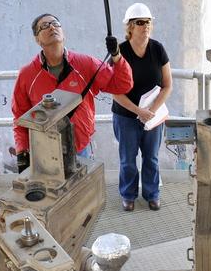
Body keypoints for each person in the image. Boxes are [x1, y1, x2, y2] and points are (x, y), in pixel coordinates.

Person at [11, 13, 133, 173]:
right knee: (54, 195)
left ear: (64, 33)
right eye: (44, 26)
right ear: (38, 39)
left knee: (82, 193)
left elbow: (122, 85)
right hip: (45, 152)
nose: (52, 27)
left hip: (81, 148)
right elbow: (20, 118)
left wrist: (117, 56)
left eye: (55, 23)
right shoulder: (27, 75)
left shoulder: (85, 64)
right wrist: (22, 153)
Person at [110, 3, 171, 212]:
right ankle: (128, 195)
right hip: (126, 116)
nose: (145, 26)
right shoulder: (120, 52)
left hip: (152, 116)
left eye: (148, 22)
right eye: (140, 22)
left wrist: (151, 111)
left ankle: (152, 194)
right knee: (128, 159)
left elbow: (167, 85)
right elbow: (115, 91)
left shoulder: (158, 49)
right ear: (130, 27)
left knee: (151, 157)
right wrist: (139, 112)